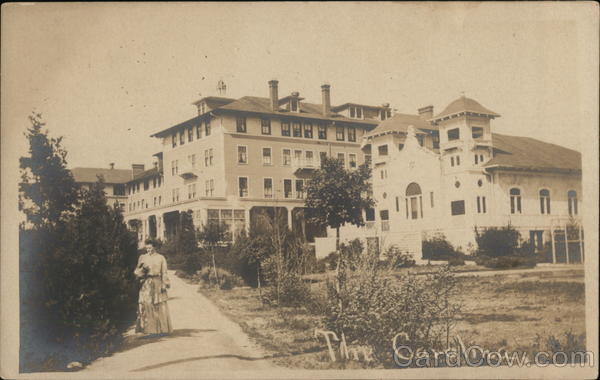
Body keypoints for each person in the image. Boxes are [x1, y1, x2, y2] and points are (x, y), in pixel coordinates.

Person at [134, 240, 173, 335]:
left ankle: (162, 329)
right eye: (147, 248)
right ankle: (148, 330)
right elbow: (136, 271)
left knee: (159, 305)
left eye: (150, 248)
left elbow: (164, 272)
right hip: (146, 283)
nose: (148, 250)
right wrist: (142, 270)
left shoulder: (161, 258)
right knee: (146, 304)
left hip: (157, 282)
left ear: (154, 247)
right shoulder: (142, 258)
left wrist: (164, 284)